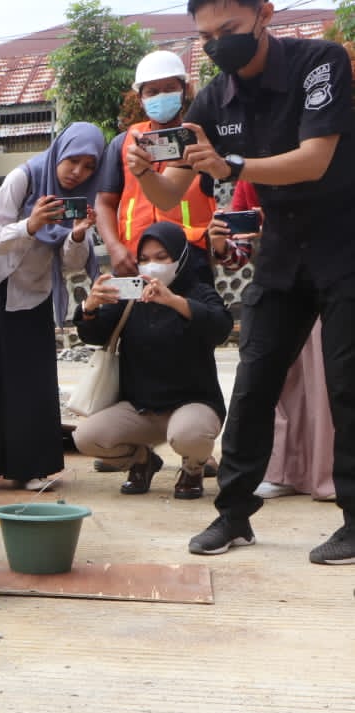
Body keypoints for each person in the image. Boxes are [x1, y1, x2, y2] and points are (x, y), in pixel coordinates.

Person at [134, 0, 355, 561]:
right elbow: (171, 194)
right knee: (254, 382)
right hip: (282, 254)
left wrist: (231, 166)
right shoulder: (211, 100)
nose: (218, 45)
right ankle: (233, 516)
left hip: (345, 244)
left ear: (265, 15)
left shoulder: (320, 63)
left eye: (229, 30)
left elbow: (315, 160)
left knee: (347, 383)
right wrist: (145, 172)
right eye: (206, 37)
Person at [0, 122, 104, 498]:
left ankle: (32, 467)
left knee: (33, 379)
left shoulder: (85, 196)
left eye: (90, 166)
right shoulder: (23, 178)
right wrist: (30, 224)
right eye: (73, 161)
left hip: (35, 289)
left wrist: (77, 233)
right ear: (60, 153)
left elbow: (72, 263)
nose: (79, 172)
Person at [72, 221, 232, 499]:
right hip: (140, 408)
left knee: (189, 436)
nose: (151, 266)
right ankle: (141, 462)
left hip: (192, 404)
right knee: (85, 437)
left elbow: (220, 327)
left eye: (161, 257)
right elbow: (95, 334)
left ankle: (193, 468)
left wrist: (173, 301)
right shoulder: (131, 295)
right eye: (144, 259)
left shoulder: (198, 291)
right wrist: (89, 307)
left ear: (180, 258)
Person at [214, 182, 334, 502]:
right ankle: (283, 471)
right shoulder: (250, 172)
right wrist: (223, 246)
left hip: (330, 283)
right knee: (277, 384)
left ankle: (330, 475)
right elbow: (238, 253)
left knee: (326, 381)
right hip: (278, 286)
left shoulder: (329, 154)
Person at [94, 50, 218, 286]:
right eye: (152, 91)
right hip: (135, 260)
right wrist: (114, 248)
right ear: (140, 97)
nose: (161, 96)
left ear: (185, 90)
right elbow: (104, 202)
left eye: (170, 88)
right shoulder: (123, 144)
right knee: (139, 322)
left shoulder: (200, 140)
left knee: (192, 320)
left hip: (190, 257)